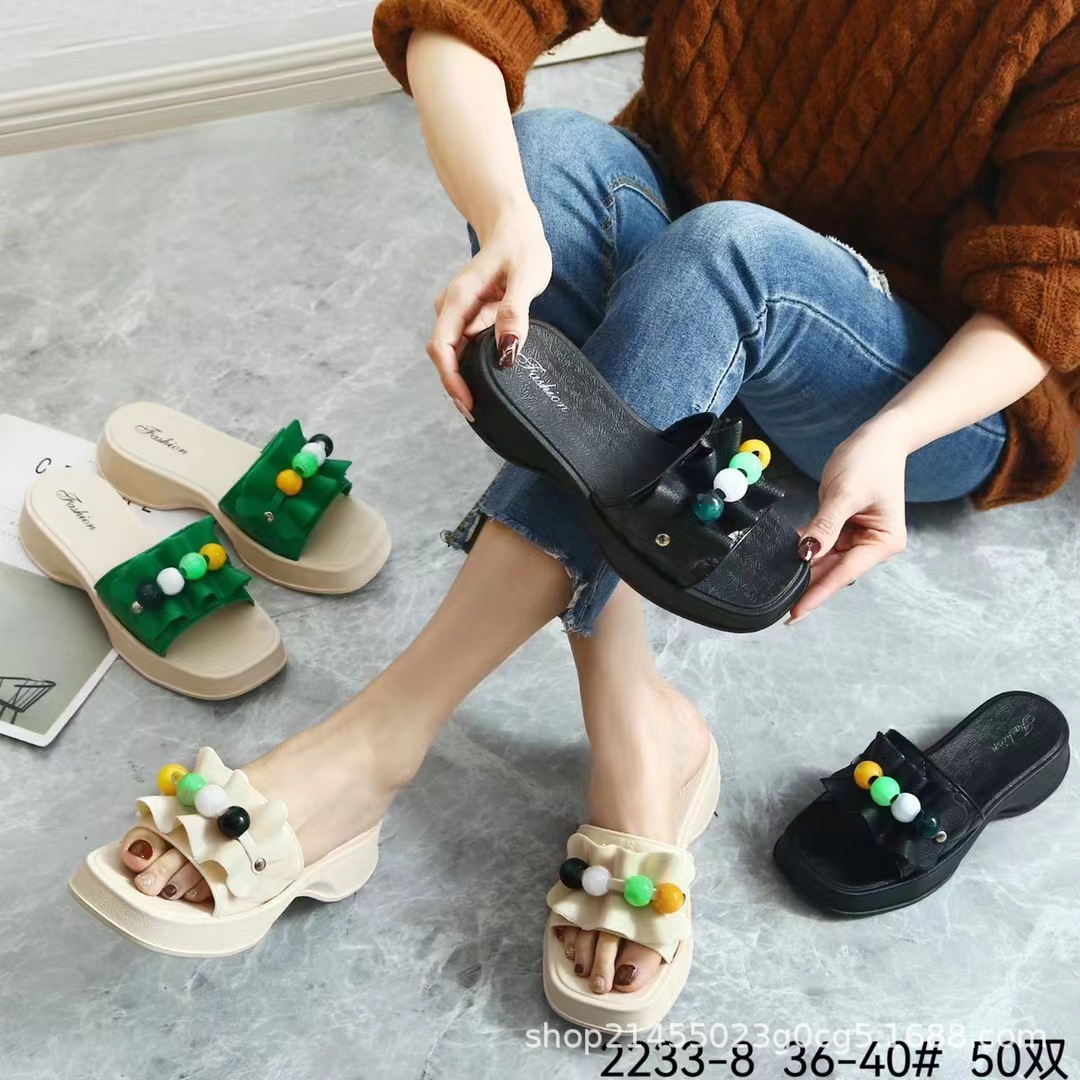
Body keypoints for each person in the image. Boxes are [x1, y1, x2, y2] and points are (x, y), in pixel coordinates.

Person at [111, 0, 1079, 1003]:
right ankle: (633, 714)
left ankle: (381, 735)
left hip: (929, 382)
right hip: (689, 271)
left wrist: (894, 435)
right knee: (544, 158)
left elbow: (1049, 291)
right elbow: (459, 21)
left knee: (730, 246)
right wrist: (505, 217)